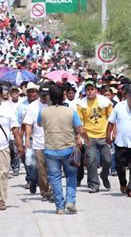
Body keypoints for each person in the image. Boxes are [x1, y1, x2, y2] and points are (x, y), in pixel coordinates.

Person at [38, 85, 90, 214]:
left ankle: (59, 207)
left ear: (50, 97)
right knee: (71, 175)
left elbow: (39, 124)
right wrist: (88, 141)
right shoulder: (70, 111)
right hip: (68, 149)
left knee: (55, 178)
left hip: (50, 149)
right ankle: (70, 201)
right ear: (63, 96)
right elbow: (80, 129)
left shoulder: (43, 111)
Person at [76, 80, 113, 193]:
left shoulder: (105, 101)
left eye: (92, 89)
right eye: (88, 89)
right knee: (91, 160)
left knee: (107, 160)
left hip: (103, 135)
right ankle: (94, 184)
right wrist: (79, 137)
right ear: (85, 91)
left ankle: (104, 175)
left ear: (96, 90)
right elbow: (79, 122)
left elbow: (112, 118)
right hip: (89, 136)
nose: (90, 91)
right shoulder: (81, 104)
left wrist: (111, 134)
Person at [23, 84, 51, 201]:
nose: (45, 98)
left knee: (53, 169)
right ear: (39, 94)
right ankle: (44, 191)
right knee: (42, 170)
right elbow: (28, 123)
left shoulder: (54, 104)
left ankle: (53, 190)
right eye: (43, 95)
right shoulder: (33, 106)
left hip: (53, 143)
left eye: (47, 95)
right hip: (39, 142)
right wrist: (28, 139)